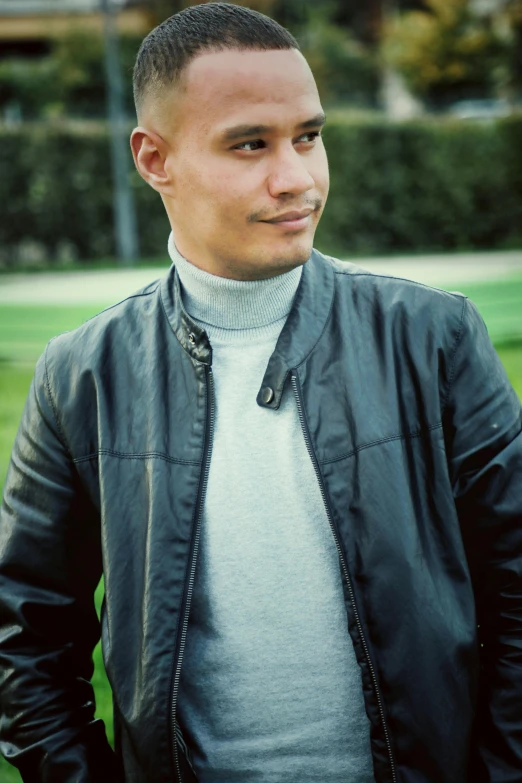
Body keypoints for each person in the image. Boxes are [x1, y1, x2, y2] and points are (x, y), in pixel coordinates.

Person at [1, 2, 521, 782]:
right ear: (154, 159)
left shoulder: (435, 336)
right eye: (251, 144)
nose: (298, 178)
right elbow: (27, 638)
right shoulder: (82, 374)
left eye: (308, 137)